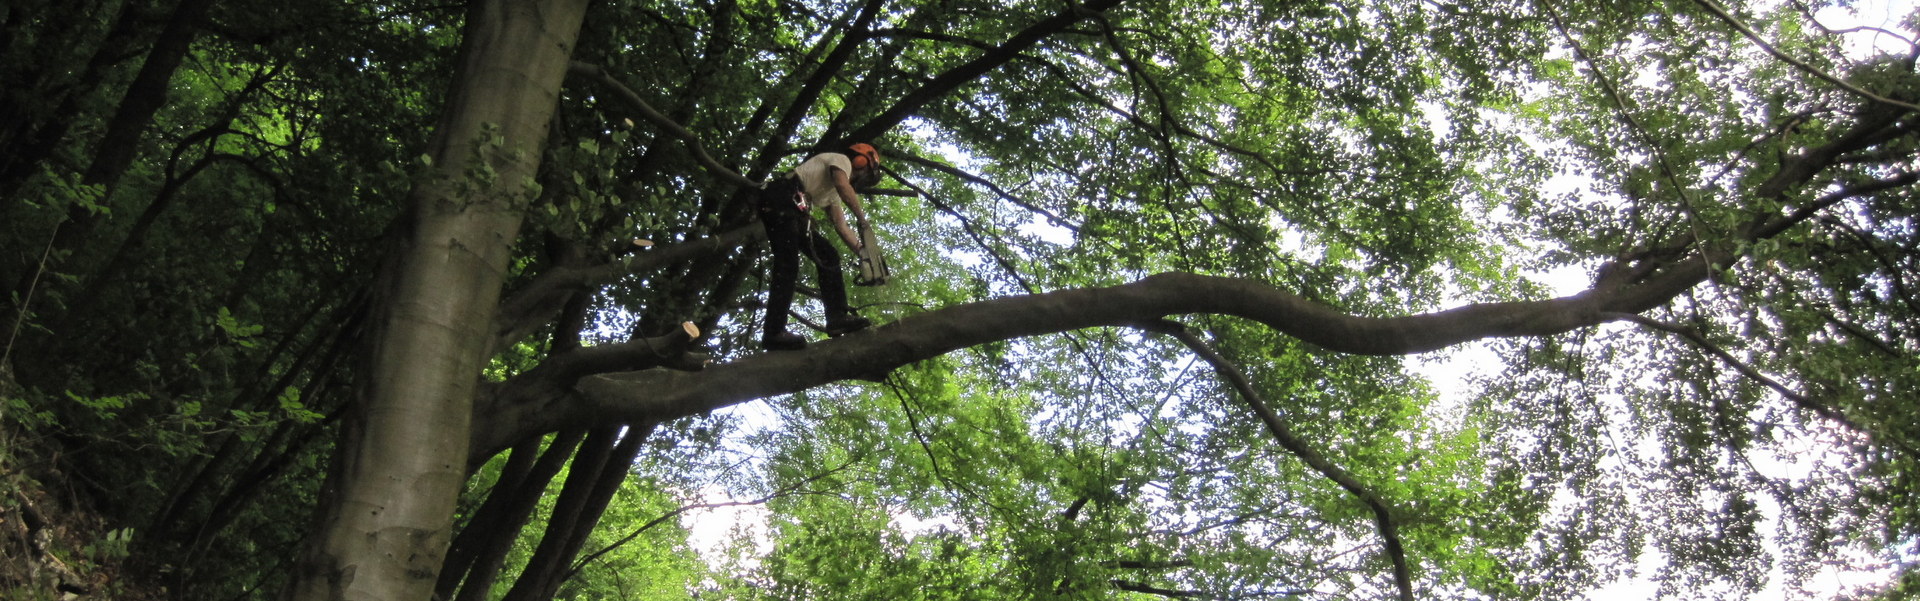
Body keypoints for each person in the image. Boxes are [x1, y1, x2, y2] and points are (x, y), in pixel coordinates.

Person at [756, 143, 881, 350]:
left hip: (794, 210)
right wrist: (862, 220)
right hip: (781, 198)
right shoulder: (840, 160)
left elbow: (841, 226)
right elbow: (844, 186)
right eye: (866, 170)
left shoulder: (832, 192)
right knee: (787, 266)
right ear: (860, 160)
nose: (862, 176)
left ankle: (836, 318)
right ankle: (773, 332)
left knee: (829, 256)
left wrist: (865, 253)